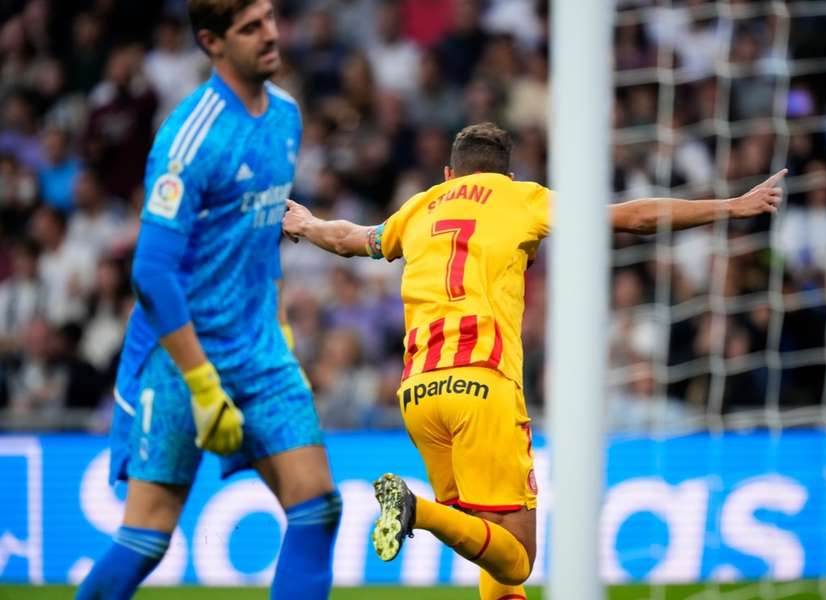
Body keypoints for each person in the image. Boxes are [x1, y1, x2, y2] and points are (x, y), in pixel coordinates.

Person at [282, 122, 785, 600]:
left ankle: (426, 513)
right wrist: (732, 206)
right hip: (481, 385)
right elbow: (635, 217)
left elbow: (353, 240)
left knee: (486, 542)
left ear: (448, 176)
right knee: (519, 557)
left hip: (417, 392)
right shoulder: (523, 198)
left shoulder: (418, 208)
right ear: (507, 175)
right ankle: (418, 510)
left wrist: (307, 223)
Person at [76, 2, 340, 599]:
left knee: (318, 508)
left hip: (259, 349)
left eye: (270, 18)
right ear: (212, 43)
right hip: (179, 354)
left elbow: (261, 232)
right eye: (251, 27)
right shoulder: (190, 136)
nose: (270, 33)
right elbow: (151, 270)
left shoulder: (287, 117)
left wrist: (276, 324)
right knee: (147, 537)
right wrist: (200, 381)